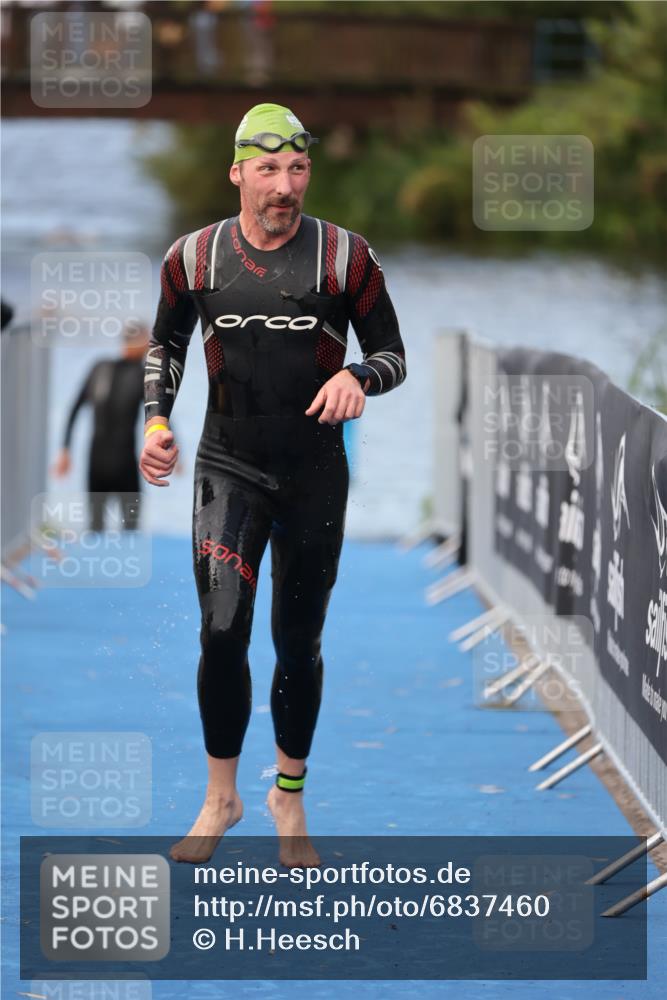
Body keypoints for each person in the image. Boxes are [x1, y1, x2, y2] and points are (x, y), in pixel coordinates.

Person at [140, 103, 407, 867]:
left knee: (297, 641)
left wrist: (358, 376)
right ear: (237, 174)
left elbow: (392, 354)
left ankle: (287, 794)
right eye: (267, 170)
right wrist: (155, 423)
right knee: (222, 630)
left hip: (313, 472)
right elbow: (165, 346)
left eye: (296, 169)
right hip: (228, 466)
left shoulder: (345, 257)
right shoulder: (193, 258)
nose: (284, 187)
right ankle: (219, 797)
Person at [53, 323, 149, 531]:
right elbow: (157, 414)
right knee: (130, 528)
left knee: (95, 527)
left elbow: (74, 409)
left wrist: (65, 450)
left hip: (96, 462)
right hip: (125, 464)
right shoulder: (142, 375)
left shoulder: (99, 368)